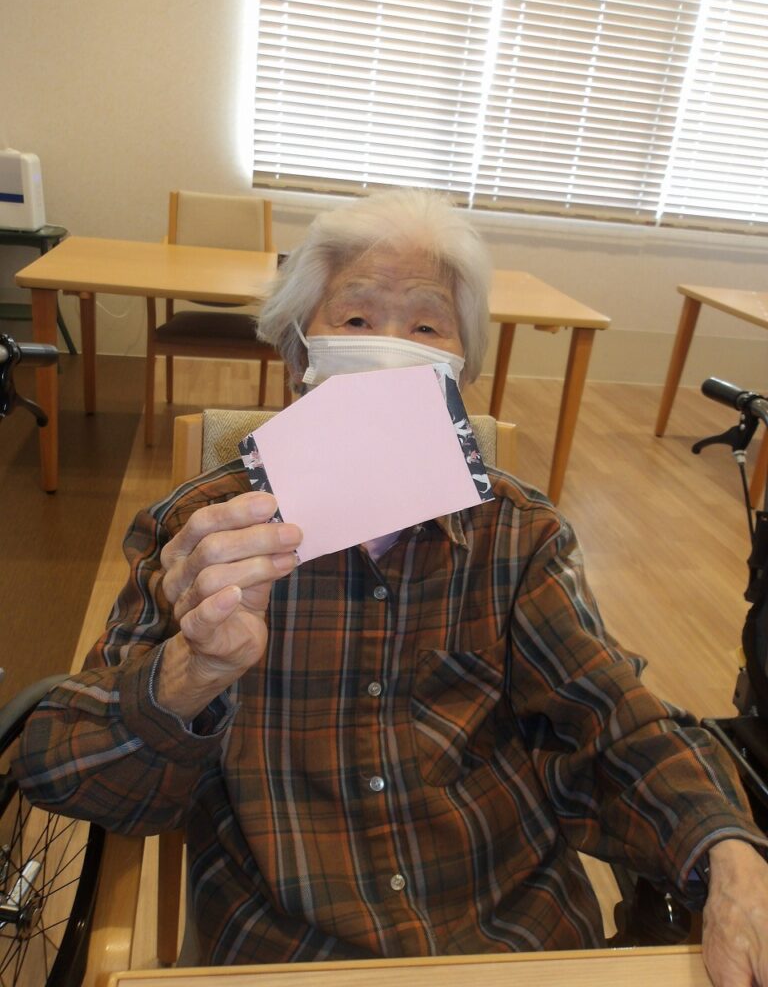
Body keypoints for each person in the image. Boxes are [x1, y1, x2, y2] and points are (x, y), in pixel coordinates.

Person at [16, 190, 768, 983]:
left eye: (427, 327)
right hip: (294, 954)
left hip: (515, 940)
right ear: (300, 356)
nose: (391, 348)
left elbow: (613, 715)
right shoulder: (203, 535)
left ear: (461, 370)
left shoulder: (516, 533)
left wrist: (728, 852)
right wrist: (189, 672)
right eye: (357, 318)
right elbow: (63, 768)